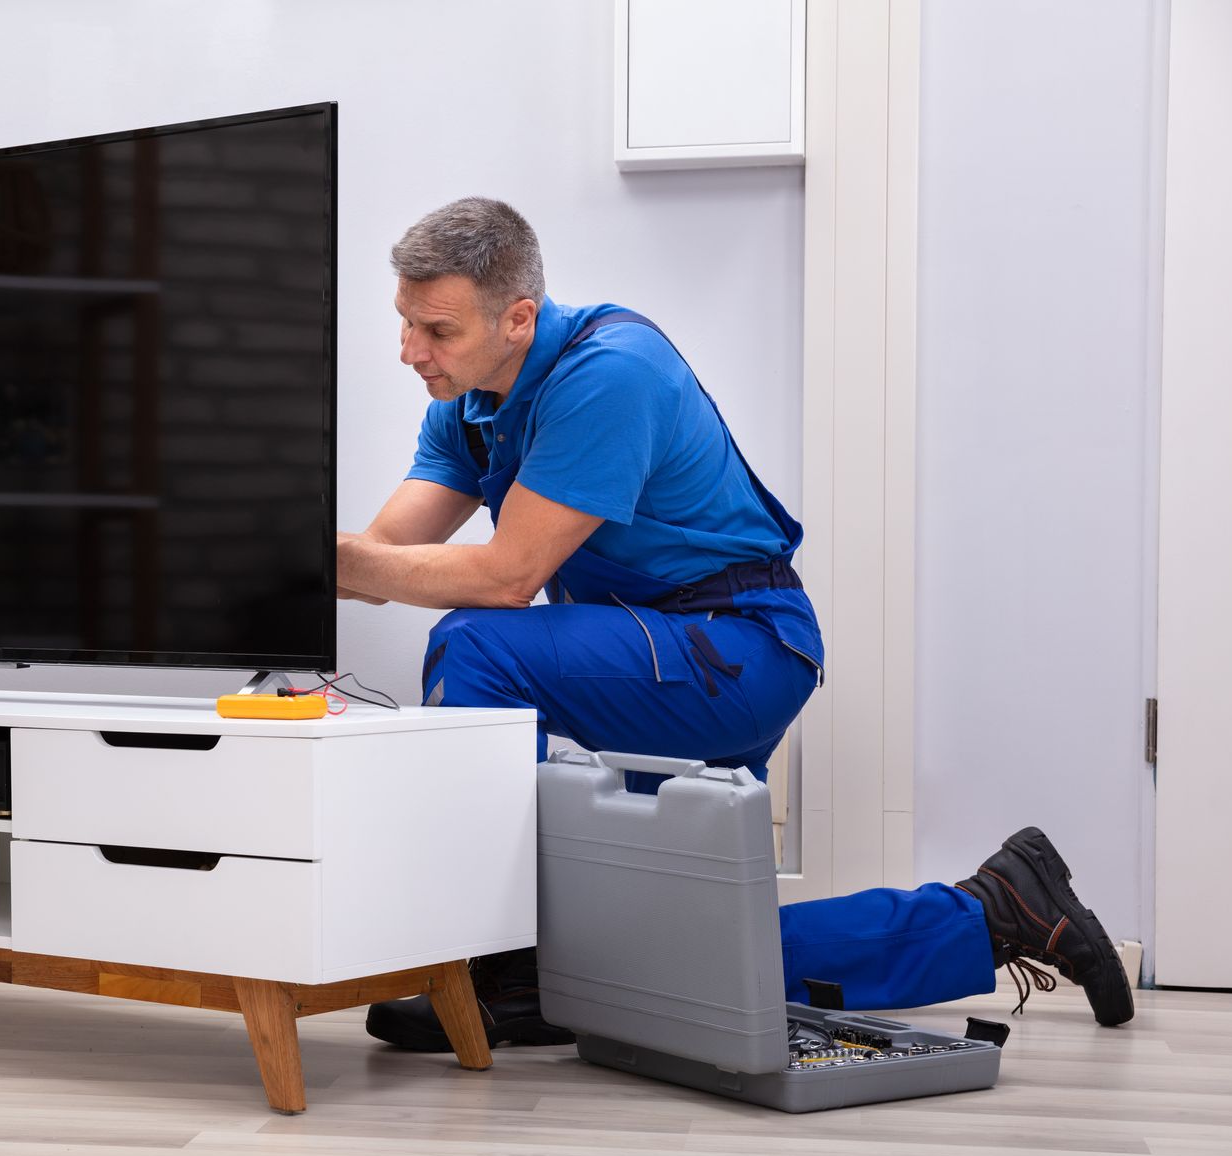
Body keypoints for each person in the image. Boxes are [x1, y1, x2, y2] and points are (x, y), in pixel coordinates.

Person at [338, 198, 1133, 1050]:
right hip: (653, 653)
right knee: (651, 955)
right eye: (405, 323)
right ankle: (996, 911)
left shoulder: (608, 371)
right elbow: (384, 559)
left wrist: (327, 559)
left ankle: (504, 969)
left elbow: (505, 579)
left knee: (475, 641)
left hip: (737, 647)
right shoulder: (469, 405)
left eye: (437, 330)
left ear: (518, 318)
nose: (410, 351)